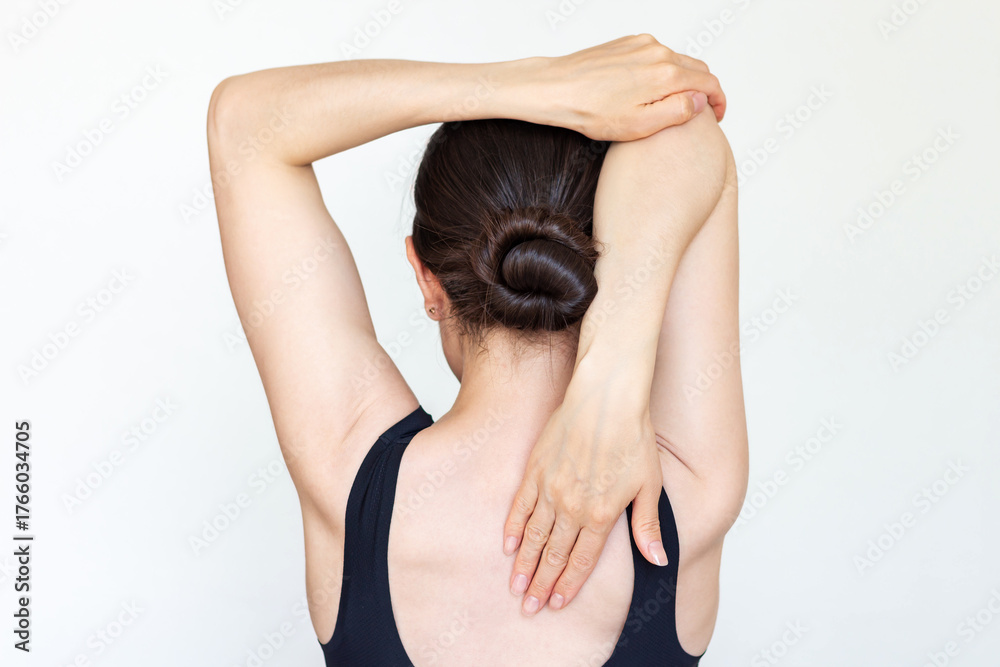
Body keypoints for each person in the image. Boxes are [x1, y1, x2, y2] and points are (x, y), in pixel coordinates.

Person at [207, 34, 749, 666]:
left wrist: (536, 84)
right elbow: (691, 124)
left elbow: (242, 122)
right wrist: (614, 369)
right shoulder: (687, 491)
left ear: (426, 277)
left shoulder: (350, 478)